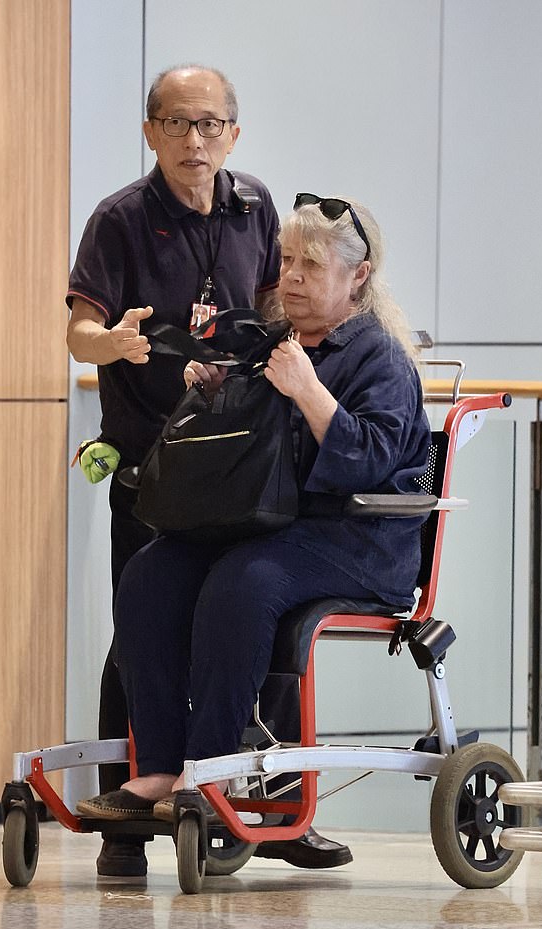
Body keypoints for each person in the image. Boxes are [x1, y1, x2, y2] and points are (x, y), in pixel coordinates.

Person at [66, 65, 351, 876]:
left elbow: (276, 310)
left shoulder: (257, 205)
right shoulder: (119, 219)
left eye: (211, 125)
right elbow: (78, 331)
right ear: (150, 131)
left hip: (243, 462)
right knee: (141, 633)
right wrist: (110, 344)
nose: (196, 142)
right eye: (179, 125)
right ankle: (124, 822)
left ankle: (276, 813)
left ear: (234, 132)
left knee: (264, 620)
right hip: (154, 466)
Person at [75, 195, 432, 842]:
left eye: (311, 264)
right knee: (150, 575)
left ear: (359, 275)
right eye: (287, 259)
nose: (290, 275)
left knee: (243, 582)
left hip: (358, 538)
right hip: (270, 527)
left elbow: (376, 460)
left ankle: (209, 771)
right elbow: (245, 450)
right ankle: (157, 769)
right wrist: (211, 389)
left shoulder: (379, 360)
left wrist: (309, 390)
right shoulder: (275, 343)